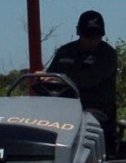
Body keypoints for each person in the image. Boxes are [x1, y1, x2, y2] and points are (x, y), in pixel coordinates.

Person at [45, 10, 118, 140]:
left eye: (96, 37)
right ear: (79, 33)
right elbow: (50, 77)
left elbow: (89, 80)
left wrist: (61, 80)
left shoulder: (107, 55)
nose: (92, 41)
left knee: (83, 123)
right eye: (88, 36)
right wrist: (43, 79)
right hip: (63, 109)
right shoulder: (65, 51)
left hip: (95, 110)